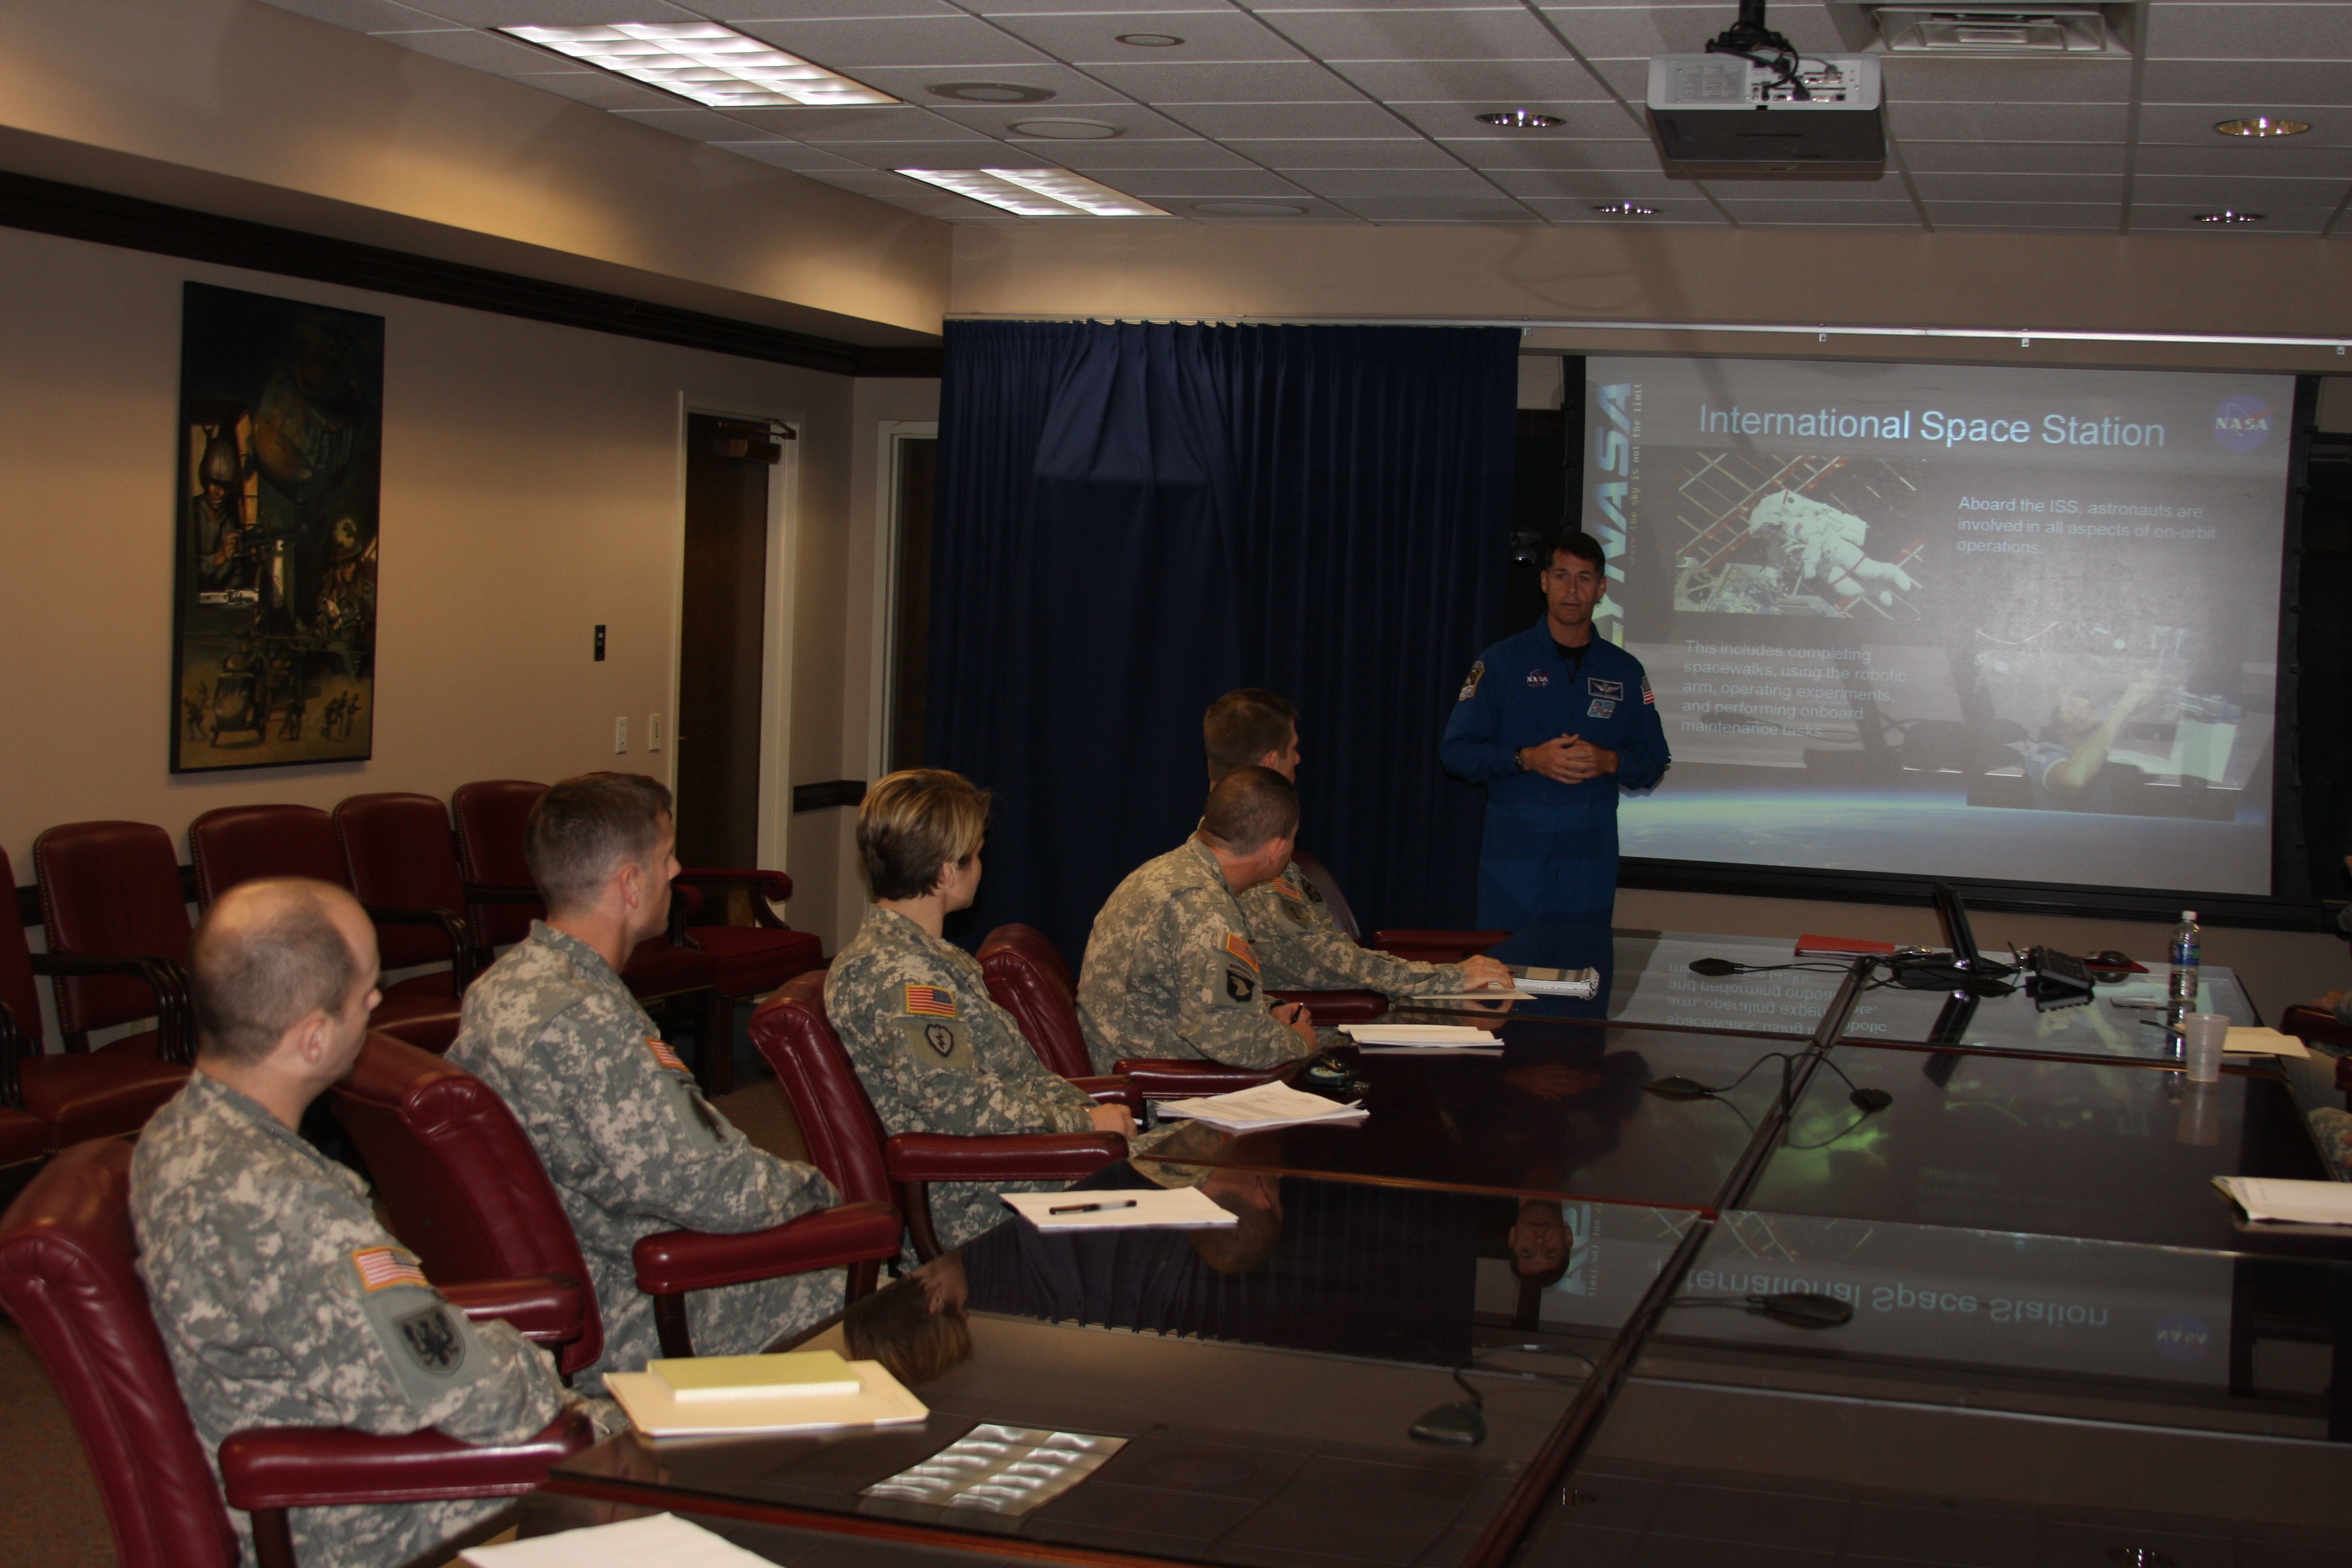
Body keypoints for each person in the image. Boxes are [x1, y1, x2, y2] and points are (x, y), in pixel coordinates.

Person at [132, 878, 614, 1568]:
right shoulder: (284, 1204)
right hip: (373, 1517)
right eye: (365, 991)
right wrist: (567, 1398)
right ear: (313, 1038)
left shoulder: (180, 1131)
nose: (378, 1001)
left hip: (334, 1452)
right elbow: (479, 1401)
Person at [448, 773, 841, 1390]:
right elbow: (715, 1189)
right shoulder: (587, 1020)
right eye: (667, 857)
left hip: (574, 1268)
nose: (679, 869)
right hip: (636, 1304)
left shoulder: (508, 982)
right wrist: (820, 1193)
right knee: (864, 1280)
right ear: (631, 885)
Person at [826, 768, 1134, 1251]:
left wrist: (1090, 1113)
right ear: (948, 872)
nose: (981, 868)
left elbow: (1008, 1079)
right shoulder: (903, 975)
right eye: (976, 856)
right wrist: (1082, 1125)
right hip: (984, 1196)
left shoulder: (931, 956)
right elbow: (959, 1105)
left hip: (1018, 1161)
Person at [1203, 688, 1513, 999]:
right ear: (1270, 763)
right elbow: (1321, 963)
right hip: (1314, 1025)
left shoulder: (1223, 845)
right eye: (1293, 748)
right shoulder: (1250, 860)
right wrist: (1447, 977)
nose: (1298, 759)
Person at [1440, 531, 1671, 930]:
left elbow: (1653, 761)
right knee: (1505, 982)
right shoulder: (1501, 662)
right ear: (1544, 581)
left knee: (1582, 984)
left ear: (1601, 589)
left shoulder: (1624, 670)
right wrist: (1527, 758)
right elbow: (1456, 752)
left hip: (1589, 865)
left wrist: (1610, 760)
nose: (1572, 590)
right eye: (1562, 576)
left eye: (1584, 579)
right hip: (1515, 862)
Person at [1076, 766, 1322, 1073]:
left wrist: (1268, 1010)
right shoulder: (1206, 908)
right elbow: (1224, 1036)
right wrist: (1297, 1042)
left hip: (1132, 1056)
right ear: (1275, 849)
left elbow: (1196, 995)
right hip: (1154, 1085)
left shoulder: (1168, 870)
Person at [2025, 676, 2157, 812]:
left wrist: (2147, 685)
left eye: (2081, 696)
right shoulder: (2041, 755)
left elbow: (2135, 706)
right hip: (2064, 831)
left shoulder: (2092, 727)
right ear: (2053, 720)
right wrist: (2122, 709)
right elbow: (2073, 780)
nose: (2085, 702)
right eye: (2071, 704)